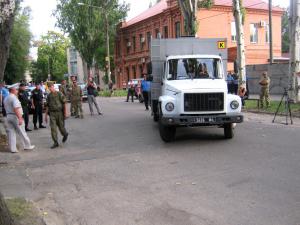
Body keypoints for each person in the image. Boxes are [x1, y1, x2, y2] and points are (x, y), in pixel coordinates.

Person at [4, 87, 35, 153]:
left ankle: (13, 149)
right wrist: (20, 118)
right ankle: (27, 146)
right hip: (15, 116)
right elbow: (16, 108)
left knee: (11, 133)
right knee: (22, 131)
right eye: (16, 90)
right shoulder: (14, 98)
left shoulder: (6, 98)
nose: (17, 91)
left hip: (8, 116)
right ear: (13, 91)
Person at [44, 83, 69, 149]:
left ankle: (65, 134)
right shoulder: (49, 96)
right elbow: (47, 106)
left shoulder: (59, 94)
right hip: (52, 114)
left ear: (53, 87)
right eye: (49, 87)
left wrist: (65, 113)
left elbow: (64, 103)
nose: (50, 88)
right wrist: (46, 116)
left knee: (61, 127)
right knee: (53, 128)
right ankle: (55, 142)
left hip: (59, 113)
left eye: (51, 87)